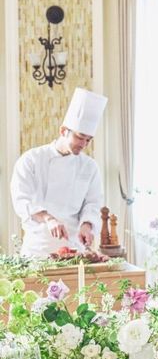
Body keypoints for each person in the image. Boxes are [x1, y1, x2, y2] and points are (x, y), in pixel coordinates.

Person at [11, 88, 107, 258]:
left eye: (88, 140)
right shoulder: (31, 160)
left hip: (74, 250)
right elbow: (22, 199)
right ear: (63, 131)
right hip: (38, 250)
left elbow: (93, 203)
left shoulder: (89, 166)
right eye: (80, 137)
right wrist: (49, 219)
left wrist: (86, 225)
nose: (84, 144)